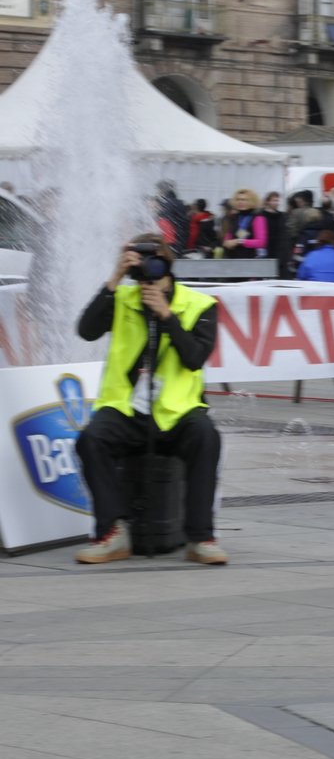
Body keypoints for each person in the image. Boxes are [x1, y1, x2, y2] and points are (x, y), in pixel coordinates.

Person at [73, 235, 226, 565]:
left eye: (153, 265)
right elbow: (86, 330)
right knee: (91, 439)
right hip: (126, 409)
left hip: (178, 411)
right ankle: (112, 533)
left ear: (168, 266)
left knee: (206, 436)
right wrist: (113, 279)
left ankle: (201, 538)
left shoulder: (200, 305)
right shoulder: (122, 297)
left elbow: (194, 358)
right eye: (138, 266)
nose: (147, 274)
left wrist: (167, 316)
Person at [220, 188, 269, 259]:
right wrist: (226, 242)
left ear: (252, 201)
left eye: (244, 200)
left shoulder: (258, 217)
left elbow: (261, 242)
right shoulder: (234, 217)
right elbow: (228, 236)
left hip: (251, 259)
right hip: (233, 258)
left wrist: (239, 241)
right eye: (238, 199)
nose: (240, 202)